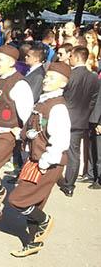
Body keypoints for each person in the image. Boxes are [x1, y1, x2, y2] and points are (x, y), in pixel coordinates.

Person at [9, 63, 72, 257]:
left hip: (48, 162)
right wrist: (22, 135)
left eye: (52, 78)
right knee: (35, 202)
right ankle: (33, 242)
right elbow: (34, 128)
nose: (46, 80)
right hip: (36, 158)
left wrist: (45, 162)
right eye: (47, 76)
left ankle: (44, 220)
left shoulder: (58, 107)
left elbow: (60, 140)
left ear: (64, 83)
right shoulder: (43, 101)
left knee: (17, 199)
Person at [0, 45, 33, 213]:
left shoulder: (19, 84)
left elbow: (27, 116)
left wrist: (20, 134)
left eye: (0, 59)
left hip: (7, 134)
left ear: (12, 62)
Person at [58, 46, 98, 197]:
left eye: (71, 56)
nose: (69, 59)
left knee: (56, 146)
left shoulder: (69, 74)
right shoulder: (94, 77)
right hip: (81, 119)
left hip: (64, 116)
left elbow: (63, 94)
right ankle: (69, 185)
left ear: (76, 57)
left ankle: (53, 175)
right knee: (74, 153)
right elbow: (93, 100)